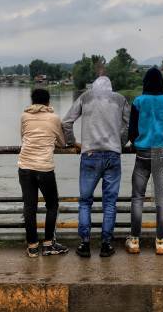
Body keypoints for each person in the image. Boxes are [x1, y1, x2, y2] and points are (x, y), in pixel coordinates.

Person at [62, 76, 130, 257]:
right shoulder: (120, 99)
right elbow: (129, 125)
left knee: (85, 202)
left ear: (93, 87)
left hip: (89, 154)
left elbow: (66, 122)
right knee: (110, 203)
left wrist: (73, 143)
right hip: (113, 155)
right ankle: (106, 245)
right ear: (111, 87)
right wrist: (120, 144)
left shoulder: (86, 97)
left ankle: (84, 244)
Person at [126, 67, 163, 255]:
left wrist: (136, 144)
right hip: (162, 153)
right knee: (162, 199)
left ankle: (135, 240)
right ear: (162, 82)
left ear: (145, 82)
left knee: (137, 198)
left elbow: (132, 131)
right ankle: (160, 242)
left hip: (142, 153)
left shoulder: (138, 101)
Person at [18, 88, 69, 257]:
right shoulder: (54, 118)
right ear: (48, 102)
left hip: (25, 166)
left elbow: (23, 137)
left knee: (30, 207)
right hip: (44, 168)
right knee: (52, 205)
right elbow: (62, 142)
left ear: (32, 101)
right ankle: (48, 244)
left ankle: (32, 246)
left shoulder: (24, 116)